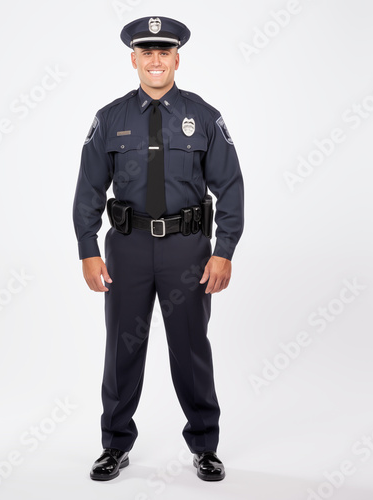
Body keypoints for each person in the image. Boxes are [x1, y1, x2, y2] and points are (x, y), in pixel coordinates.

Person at [72, 16, 244, 482]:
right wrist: (88, 248)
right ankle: (115, 445)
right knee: (121, 350)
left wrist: (223, 250)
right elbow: (89, 189)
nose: (155, 60)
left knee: (190, 347)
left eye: (163, 52)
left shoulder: (204, 116)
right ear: (134, 59)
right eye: (146, 52)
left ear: (176, 59)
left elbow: (231, 186)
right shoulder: (110, 118)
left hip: (187, 251)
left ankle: (205, 445)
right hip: (126, 249)